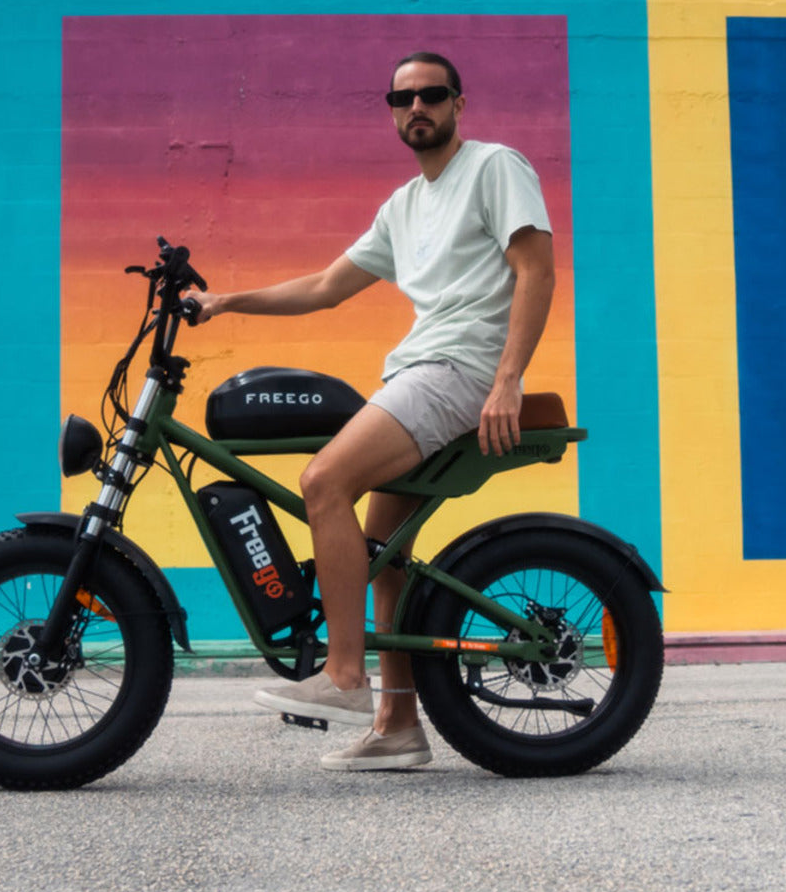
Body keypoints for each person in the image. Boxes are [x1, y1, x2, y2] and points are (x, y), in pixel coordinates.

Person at [192, 51, 555, 771]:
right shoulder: (402, 206)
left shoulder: (494, 168)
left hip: (458, 368)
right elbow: (327, 287)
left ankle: (346, 677)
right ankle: (398, 728)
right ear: (391, 111)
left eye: (431, 94)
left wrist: (508, 377)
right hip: (418, 368)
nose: (416, 107)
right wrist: (226, 301)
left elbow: (536, 268)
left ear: (458, 102)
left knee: (324, 481)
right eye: (402, 98)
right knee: (385, 558)